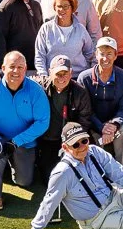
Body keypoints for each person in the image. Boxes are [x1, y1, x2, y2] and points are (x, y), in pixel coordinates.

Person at [0, 51, 49, 211]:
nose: (16, 71)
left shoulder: (35, 90)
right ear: (2, 68)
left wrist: (15, 142)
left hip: (23, 143)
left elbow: (43, 122)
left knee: (24, 181)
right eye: (12, 67)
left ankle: (9, 165)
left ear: (26, 68)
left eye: (20, 67)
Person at [78, 37, 123, 164]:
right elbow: (85, 110)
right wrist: (101, 127)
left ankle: (122, 171)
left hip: (115, 125)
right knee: (97, 161)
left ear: (116, 55)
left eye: (109, 54)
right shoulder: (84, 78)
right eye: (102, 54)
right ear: (96, 55)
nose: (105, 58)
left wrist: (113, 124)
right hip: (94, 125)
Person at [39, 55, 92, 187]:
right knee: (49, 180)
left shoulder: (80, 92)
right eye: (58, 73)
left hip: (69, 142)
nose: (62, 78)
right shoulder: (40, 87)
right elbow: (19, 79)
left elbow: (85, 121)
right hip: (46, 140)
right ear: (50, 72)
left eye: (65, 73)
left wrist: (74, 143)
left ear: (71, 73)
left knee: (76, 177)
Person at [35, 0, 96, 80]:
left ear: (72, 8)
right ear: (54, 7)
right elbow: (40, 56)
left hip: (77, 78)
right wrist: (44, 78)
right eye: (59, 6)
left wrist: (86, 75)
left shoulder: (81, 29)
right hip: (53, 79)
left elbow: (90, 54)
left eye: (66, 6)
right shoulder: (46, 29)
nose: (62, 10)